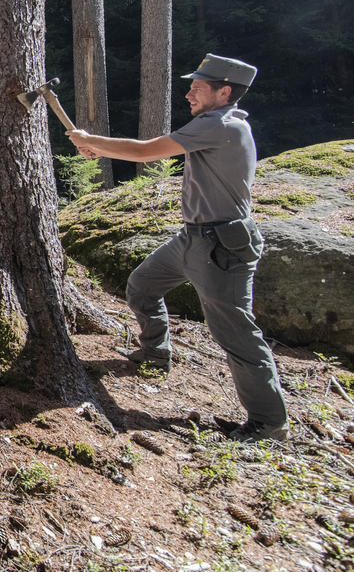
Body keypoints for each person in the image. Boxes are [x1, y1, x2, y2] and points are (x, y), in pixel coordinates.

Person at [66, 54, 289, 443]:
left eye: (197, 87)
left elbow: (145, 151)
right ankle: (155, 352)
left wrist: (91, 142)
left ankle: (269, 421)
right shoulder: (219, 123)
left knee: (234, 331)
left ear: (224, 92)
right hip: (193, 238)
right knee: (143, 285)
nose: (188, 93)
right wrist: (98, 148)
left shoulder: (220, 126)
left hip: (221, 245)